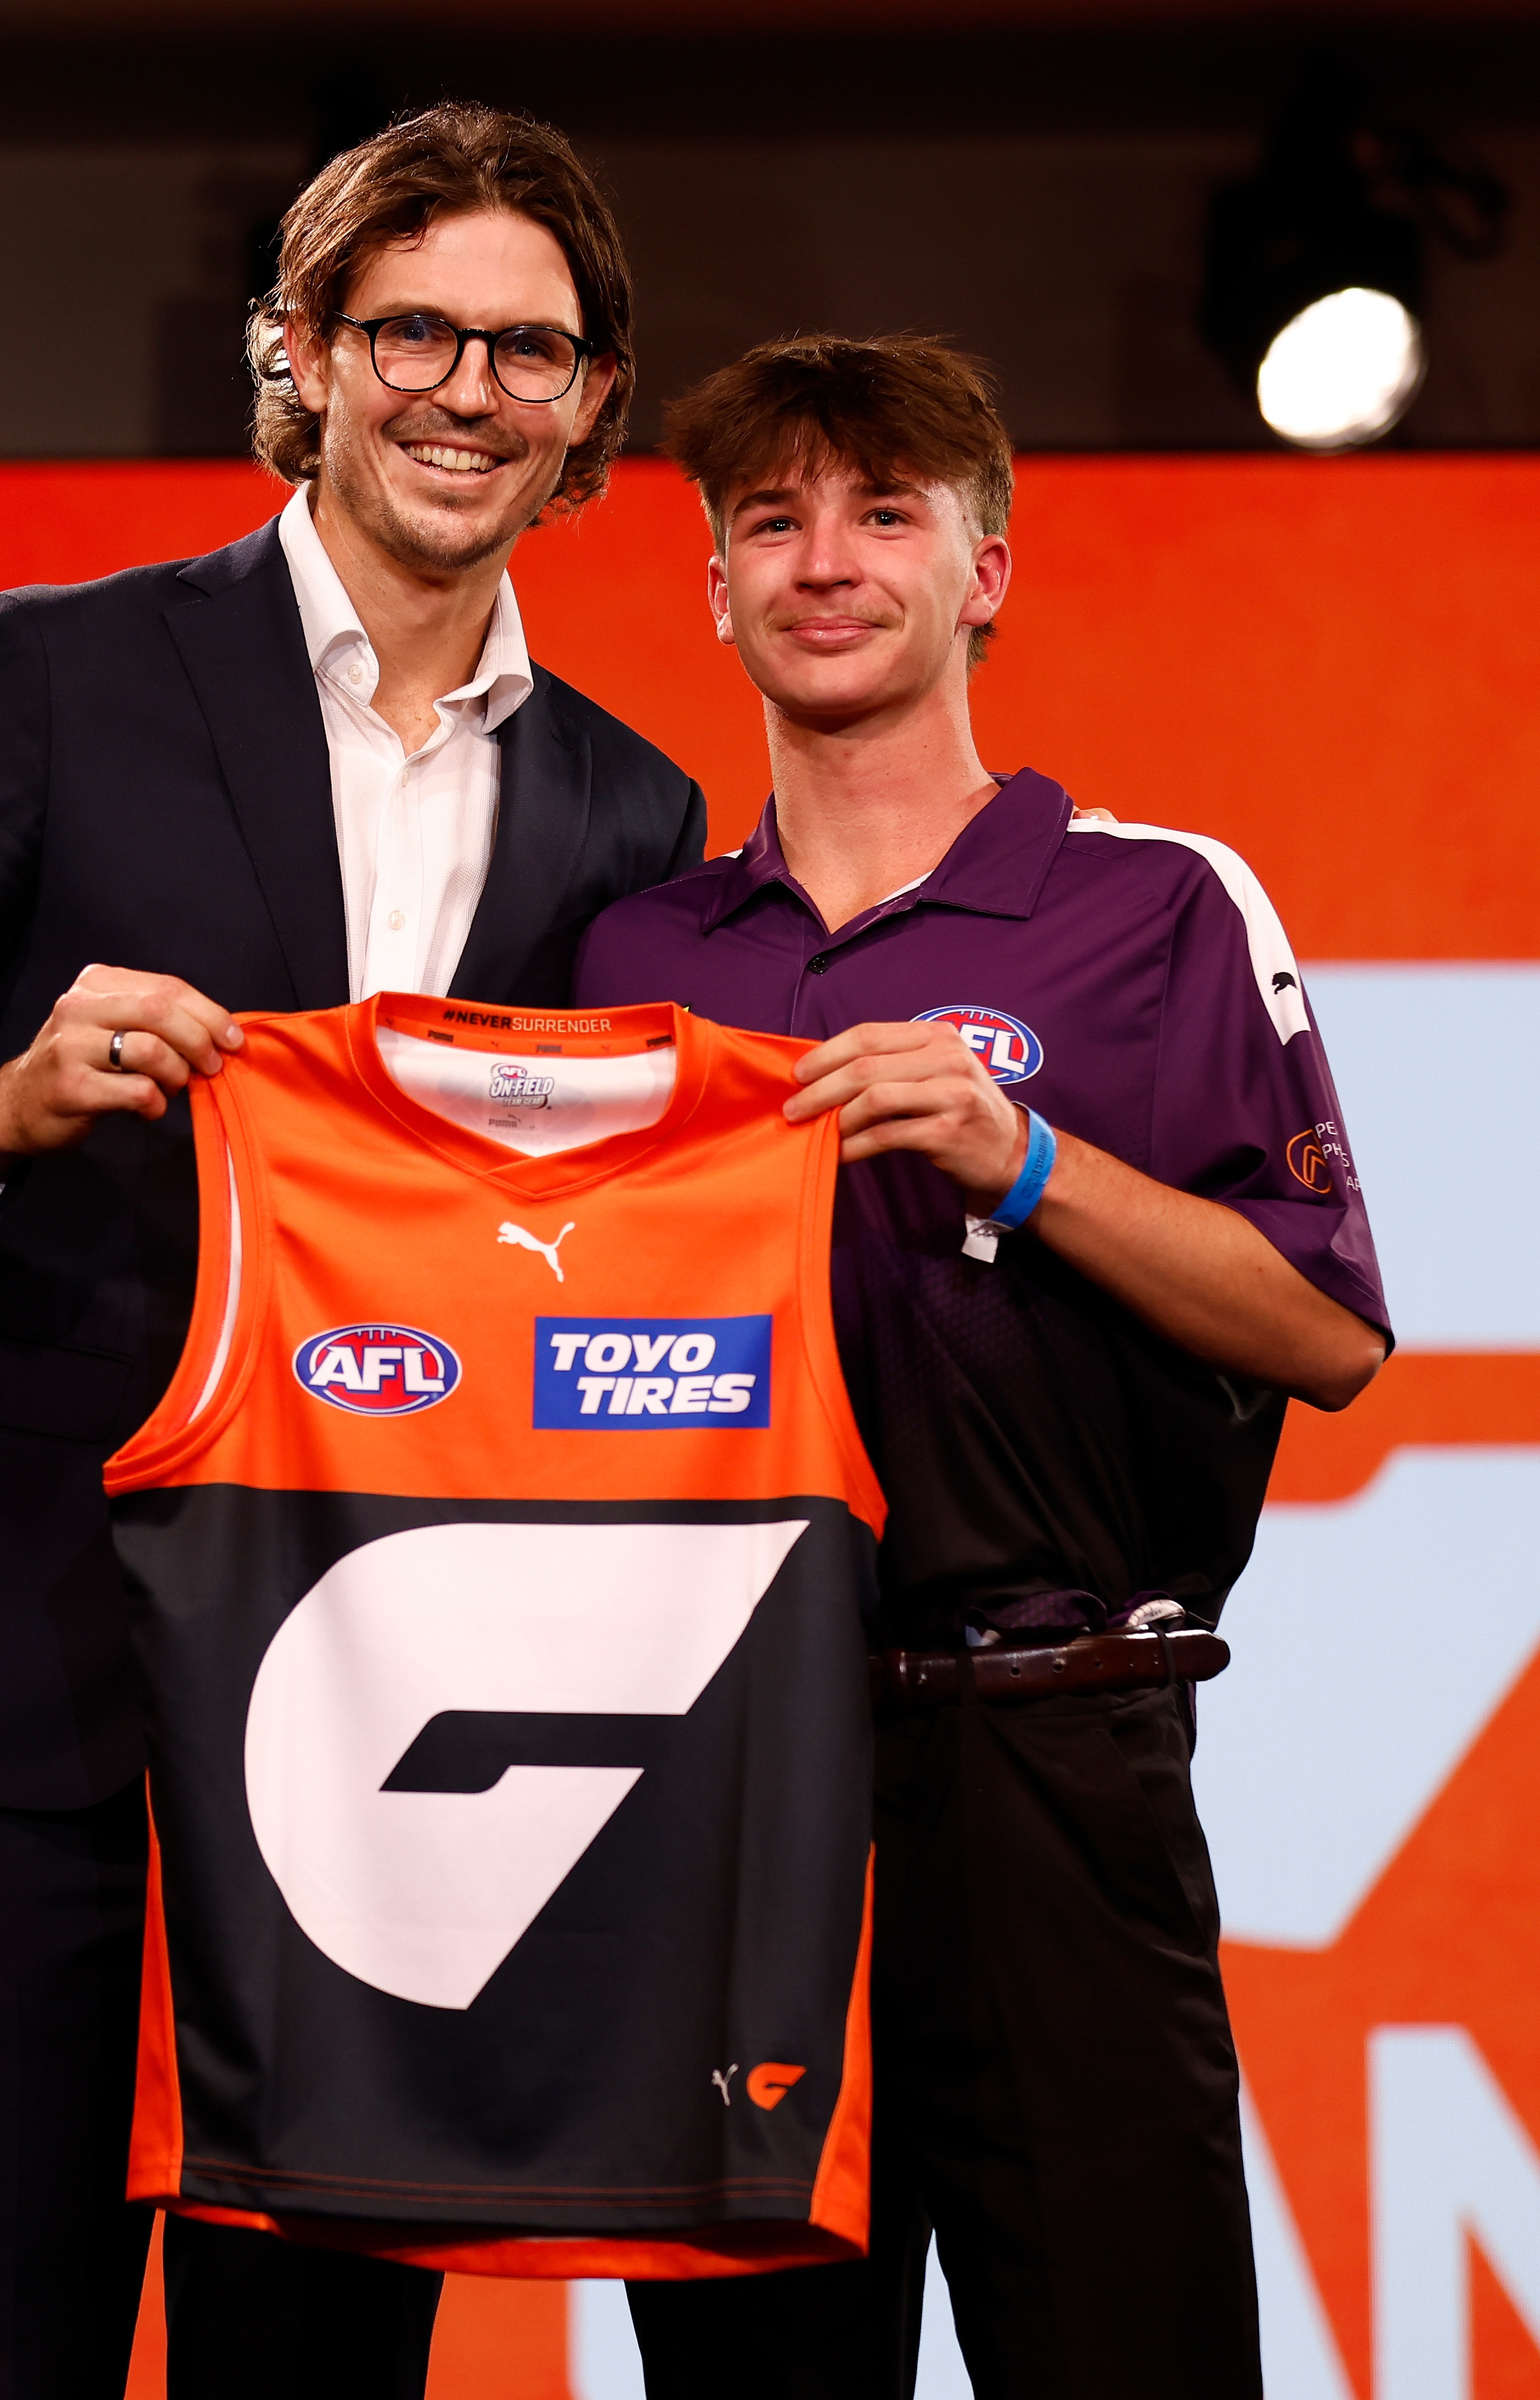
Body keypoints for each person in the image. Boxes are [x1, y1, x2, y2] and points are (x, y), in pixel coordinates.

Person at [0, 102, 703, 2400]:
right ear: (303, 353)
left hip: (399, 1722)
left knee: (326, 2369)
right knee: (4, 2348)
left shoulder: (633, 808)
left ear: (592, 408)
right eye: (412, 329)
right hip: (25, 1661)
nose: (468, 390)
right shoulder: (56, 671)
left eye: (528, 352)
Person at [574, 333, 1389, 2400]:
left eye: (884, 513)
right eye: (772, 519)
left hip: (1055, 1751)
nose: (824, 560)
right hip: (729, 1787)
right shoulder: (634, 956)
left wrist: (1022, 1158)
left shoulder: (1153, 908)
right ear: (714, 585)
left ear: (988, 569)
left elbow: (1326, 1330)